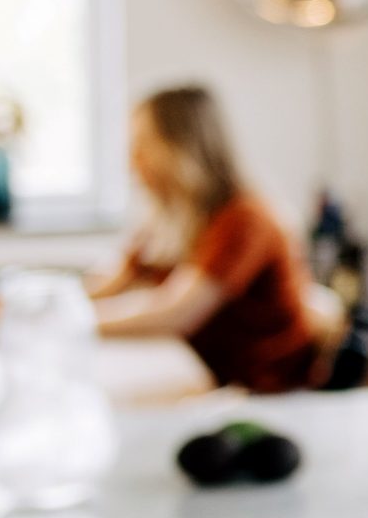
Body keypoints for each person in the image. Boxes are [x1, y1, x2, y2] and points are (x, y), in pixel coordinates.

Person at [85, 85, 319, 393]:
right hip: (212, 378)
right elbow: (111, 284)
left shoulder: (245, 219)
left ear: (181, 148)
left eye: (142, 147)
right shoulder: (171, 218)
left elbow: (175, 312)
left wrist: (68, 324)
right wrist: (29, 307)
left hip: (266, 392)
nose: (132, 165)